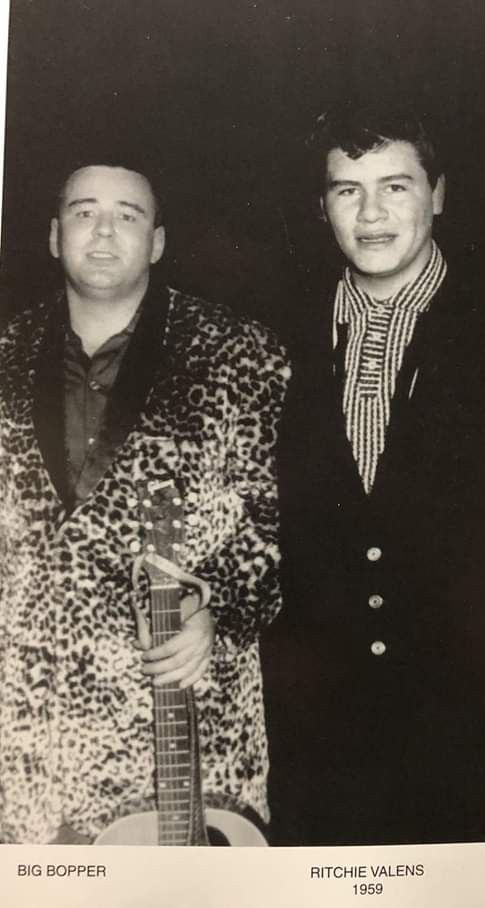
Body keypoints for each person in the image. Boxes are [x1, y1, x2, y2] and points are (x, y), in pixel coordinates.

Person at [261, 106, 485, 845]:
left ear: (440, 194)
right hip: (318, 743)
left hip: (473, 735)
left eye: (395, 187)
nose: (369, 214)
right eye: (345, 190)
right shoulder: (273, 331)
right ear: (321, 206)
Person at [0, 162, 289, 843]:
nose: (102, 232)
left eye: (127, 215)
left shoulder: (237, 351)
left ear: (157, 241)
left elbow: (271, 529)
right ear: (52, 234)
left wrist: (217, 611)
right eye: (83, 212)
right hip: (28, 747)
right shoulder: (6, 351)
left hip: (178, 733)